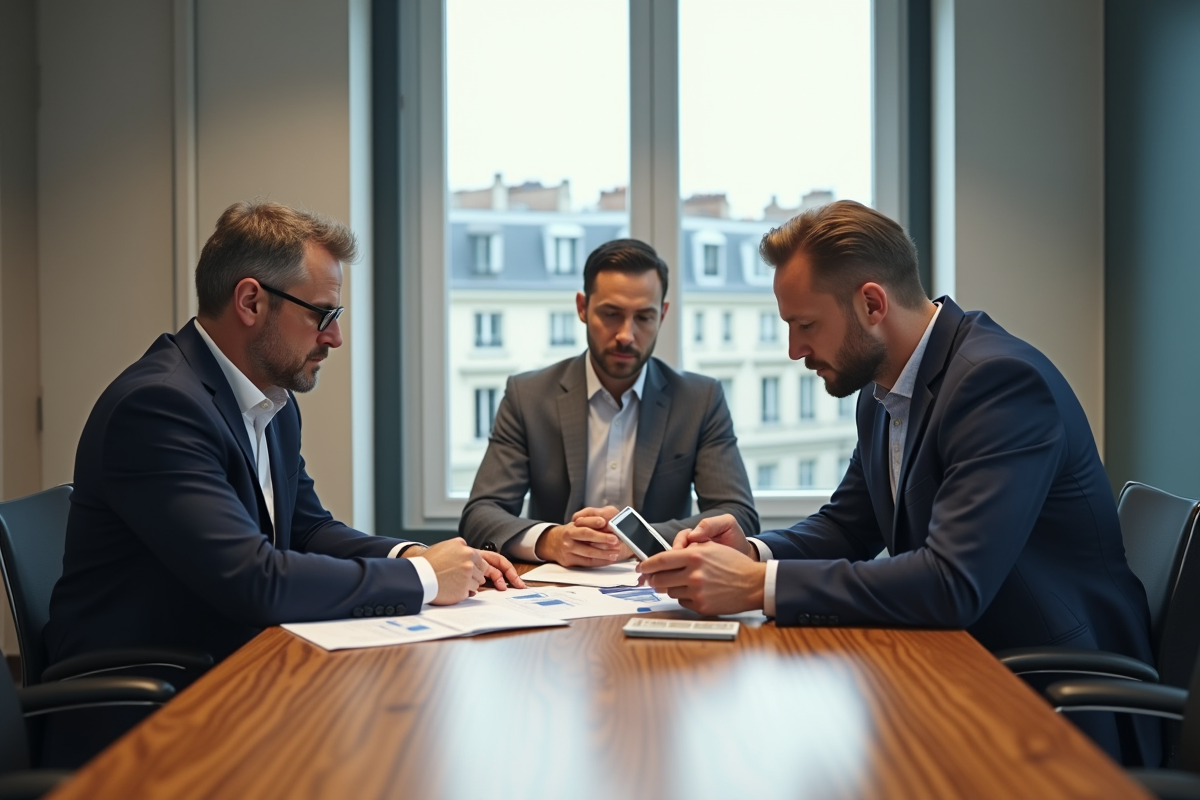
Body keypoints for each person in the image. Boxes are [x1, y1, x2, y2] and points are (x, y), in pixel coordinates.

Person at [637, 200, 1158, 765]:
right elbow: (847, 524)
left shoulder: (998, 384)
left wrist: (757, 584)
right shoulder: (883, 391)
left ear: (871, 303)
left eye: (805, 325)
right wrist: (752, 549)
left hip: (1049, 703)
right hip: (962, 668)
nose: (794, 352)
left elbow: (951, 582)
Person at [46, 201, 524, 676]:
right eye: (322, 314)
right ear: (251, 302)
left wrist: (411, 554)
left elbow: (307, 531)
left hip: (232, 665)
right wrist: (422, 578)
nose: (334, 337)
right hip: (150, 704)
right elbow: (253, 580)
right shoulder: (157, 408)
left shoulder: (271, 400)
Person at [459, 238, 758, 567]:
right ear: (582, 307)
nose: (626, 335)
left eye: (644, 317)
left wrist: (635, 539)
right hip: (554, 588)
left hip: (663, 587)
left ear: (663, 314)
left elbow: (739, 516)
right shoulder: (528, 396)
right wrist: (551, 540)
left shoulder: (700, 400)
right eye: (612, 314)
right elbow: (480, 515)